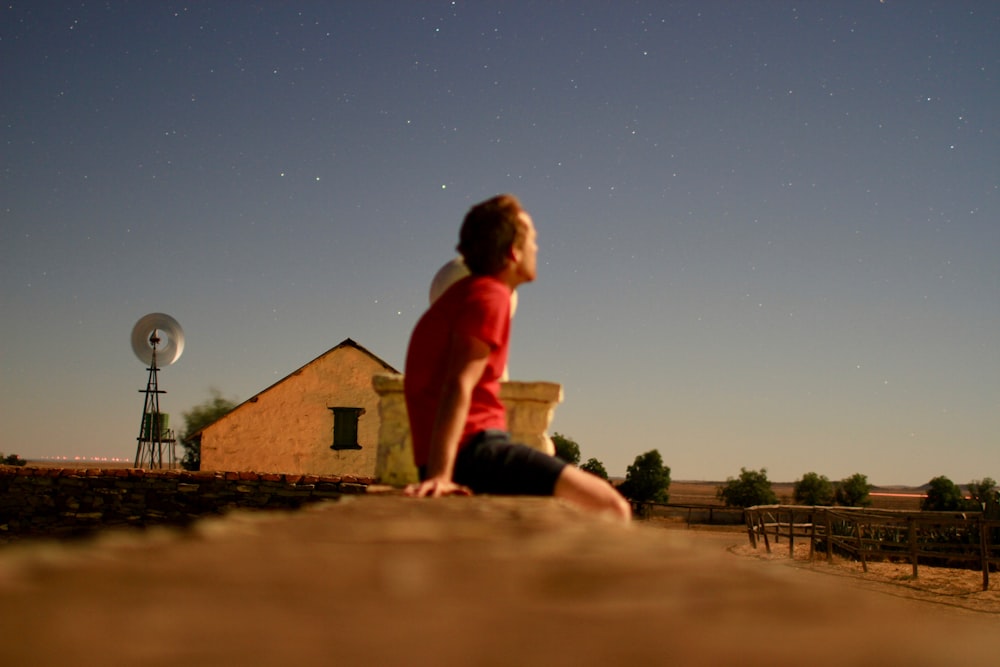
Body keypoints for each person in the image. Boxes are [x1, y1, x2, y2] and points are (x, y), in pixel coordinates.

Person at [403, 194, 631, 521]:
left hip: (464, 454)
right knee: (613, 508)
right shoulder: (490, 295)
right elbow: (457, 384)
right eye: (533, 240)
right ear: (513, 251)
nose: (538, 248)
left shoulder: (462, 295)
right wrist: (441, 475)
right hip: (478, 453)